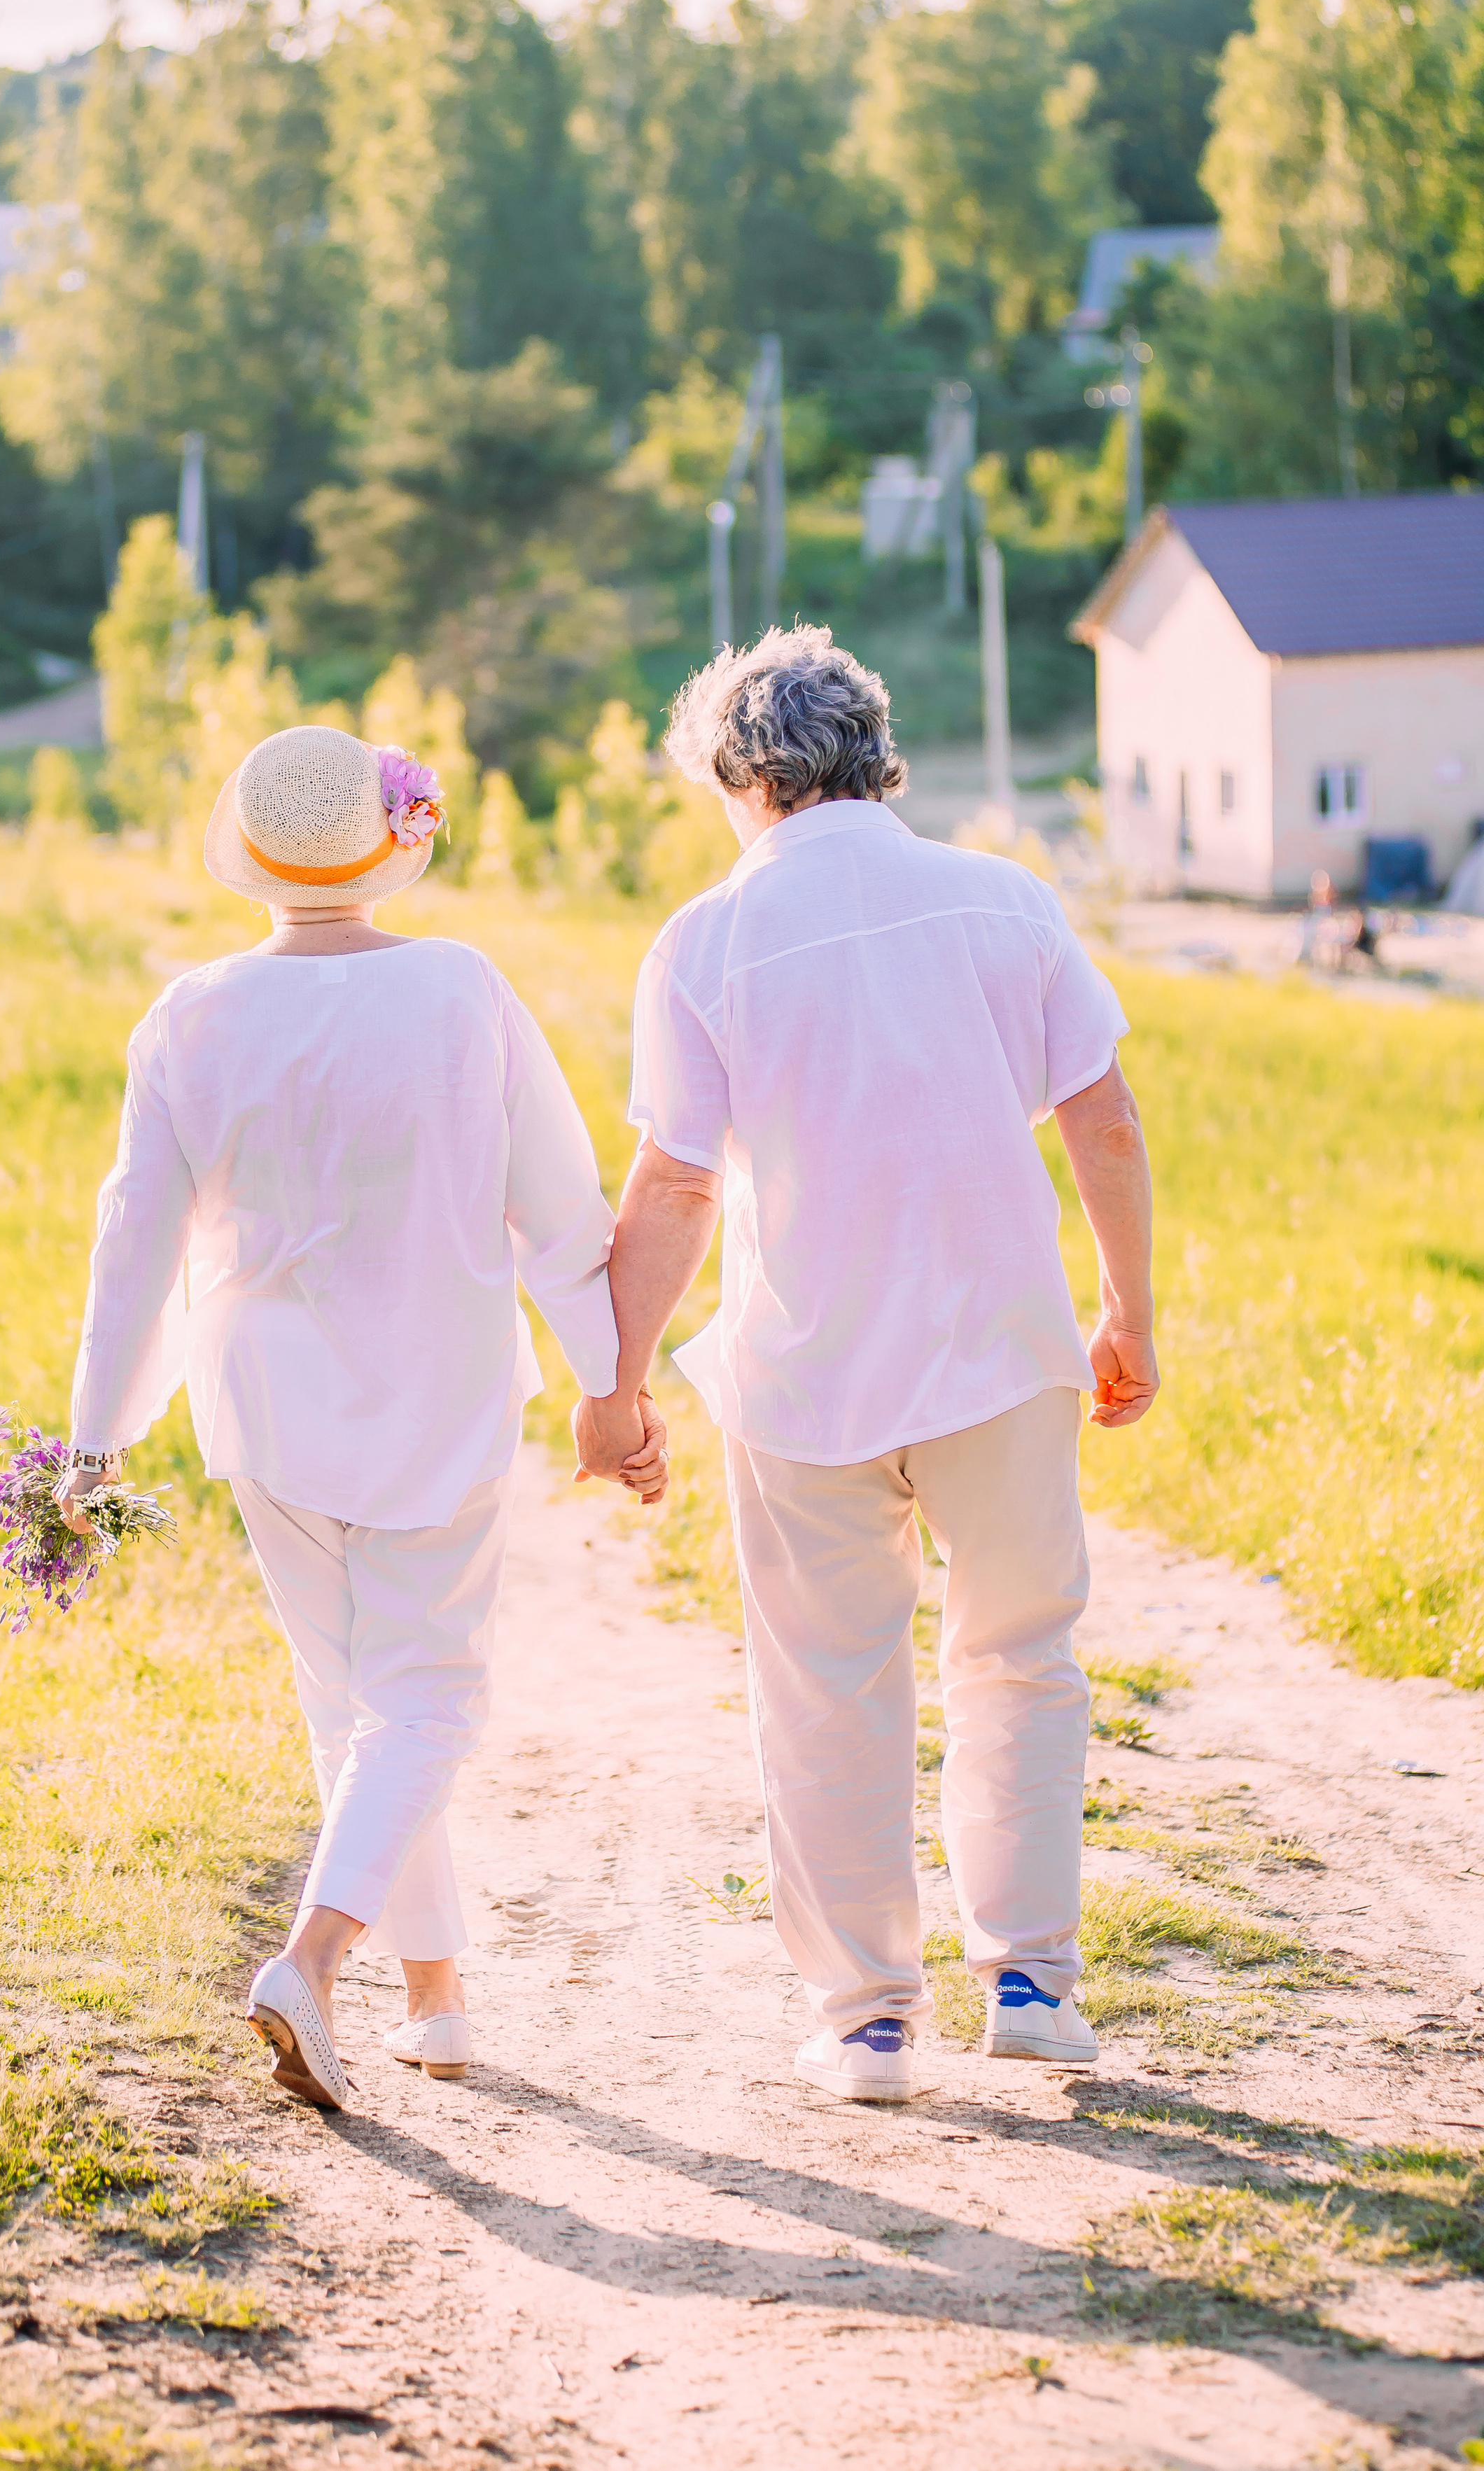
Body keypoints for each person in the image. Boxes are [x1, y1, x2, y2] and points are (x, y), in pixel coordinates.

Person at [573, 628, 1157, 2104]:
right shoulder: (1001, 901)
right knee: (1018, 1660)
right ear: (869, 749)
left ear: (742, 776)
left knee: (826, 1687)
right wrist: (1126, 1314)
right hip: (1002, 1354)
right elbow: (1101, 1123)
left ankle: (865, 2018)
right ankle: (1028, 1979)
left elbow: (677, 1189)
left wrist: (616, 1383)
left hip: (804, 1373)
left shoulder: (702, 941)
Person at [58, 725, 665, 2110]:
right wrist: (607, 1385)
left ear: (249, 860)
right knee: (427, 1701)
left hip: (264, 1400)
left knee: (353, 1707)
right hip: (432, 1387)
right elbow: (559, 1210)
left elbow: (132, 1239)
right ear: (397, 841)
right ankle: (313, 1963)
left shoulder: (189, 1012)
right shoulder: (458, 991)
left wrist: (96, 1436)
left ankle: (435, 2000)